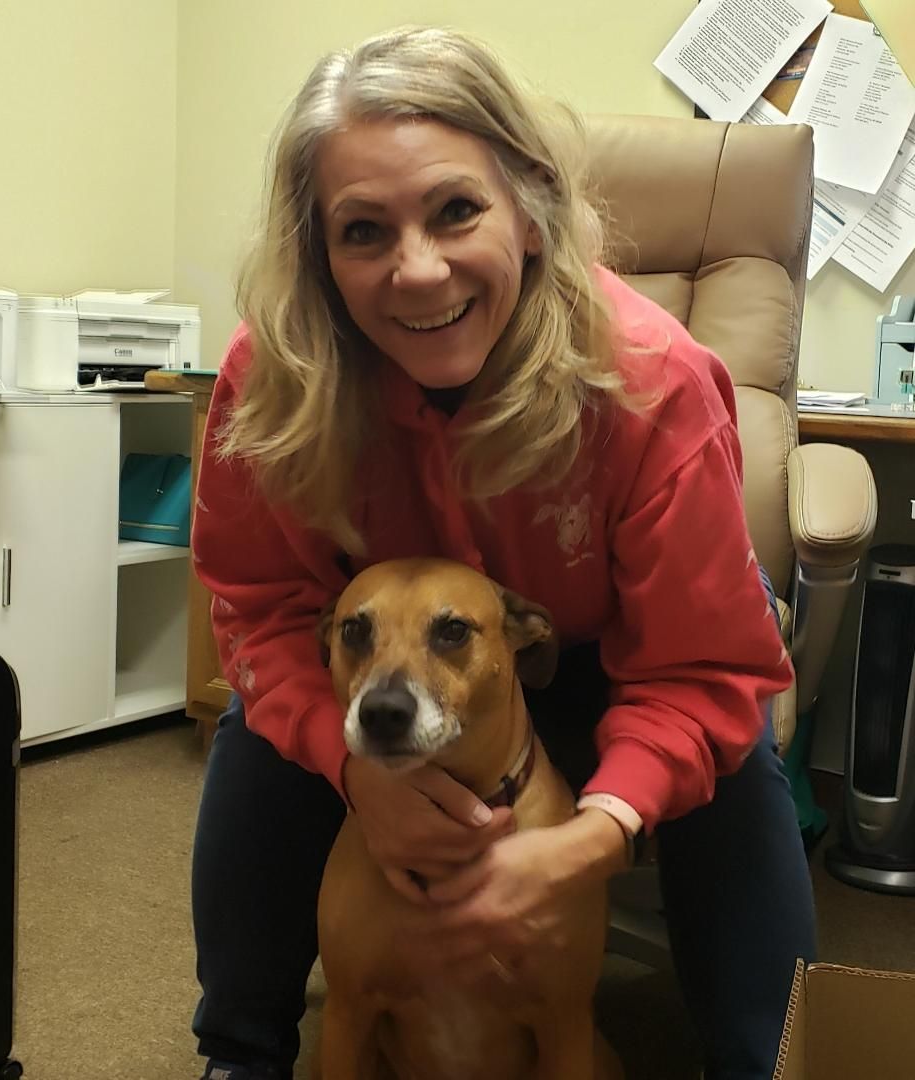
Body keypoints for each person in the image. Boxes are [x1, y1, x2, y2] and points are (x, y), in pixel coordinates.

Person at [189, 25, 816, 1080]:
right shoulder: (276, 382)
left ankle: (765, 1061)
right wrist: (352, 767)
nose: (418, 270)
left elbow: (699, 668)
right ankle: (239, 1054)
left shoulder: (654, 381)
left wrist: (596, 835)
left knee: (735, 763)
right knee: (262, 733)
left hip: (621, 651)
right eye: (363, 231)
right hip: (402, 662)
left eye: (455, 210)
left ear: (529, 209)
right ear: (319, 254)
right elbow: (259, 607)